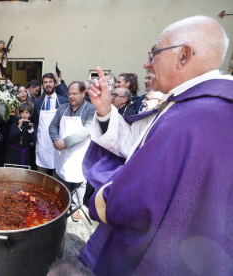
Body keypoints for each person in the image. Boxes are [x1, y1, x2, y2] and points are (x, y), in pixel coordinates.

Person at [79, 15, 233, 275]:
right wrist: (105, 111)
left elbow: (142, 193)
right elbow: (135, 147)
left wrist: (103, 197)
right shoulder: (185, 105)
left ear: (184, 55)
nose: (146, 63)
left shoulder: (199, 115)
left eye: (154, 53)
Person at [49, 81, 95, 222]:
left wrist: (66, 142)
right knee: (62, 178)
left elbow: (87, 130)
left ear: (83, 93)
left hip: (80, 153)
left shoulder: (90, 109)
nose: (71, 96)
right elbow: (52, 126)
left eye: (74, 93)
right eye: (69, 93)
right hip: (62, 152)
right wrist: (56, 140)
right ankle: (62, 204)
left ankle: (75, 207)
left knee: (79, 181)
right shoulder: (62, 108)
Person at [32, 73, 68, 175]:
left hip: (58, 142)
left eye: (50, 82)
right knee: (41, 174)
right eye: (45, 82)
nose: (48, 84)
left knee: (57, 173)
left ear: (54, 83)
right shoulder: (38, 103)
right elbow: (35, 121)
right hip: (42, 143)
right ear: (42, 85)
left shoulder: (63, 101)